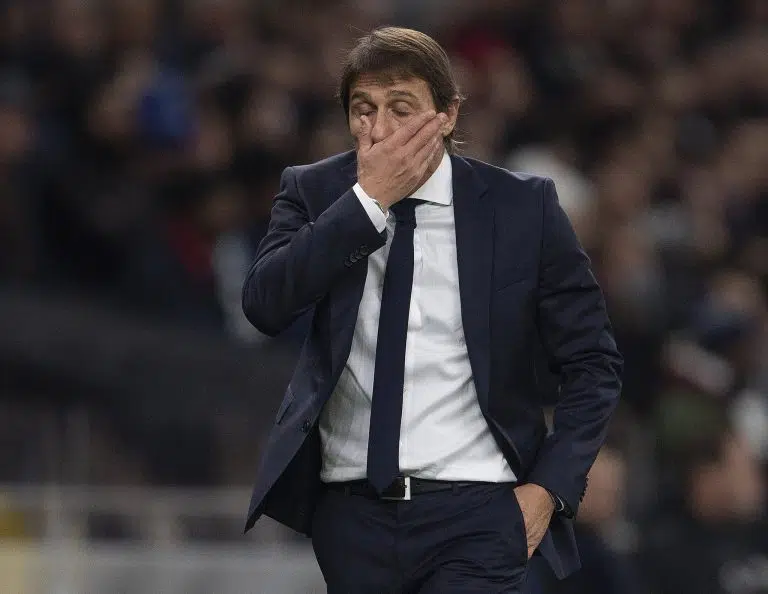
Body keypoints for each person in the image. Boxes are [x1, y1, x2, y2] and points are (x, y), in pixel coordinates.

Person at [241, 27, 623, 593]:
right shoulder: (314, 193)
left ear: (447, 114)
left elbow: (593, 362)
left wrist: (549, 490)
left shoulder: (523, 207)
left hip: (479, 510)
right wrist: (367, 203)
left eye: (401, 108)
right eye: (363, 110)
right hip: (352, 514)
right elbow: (265, 304)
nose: (380, 129)